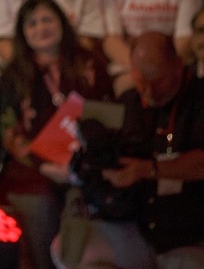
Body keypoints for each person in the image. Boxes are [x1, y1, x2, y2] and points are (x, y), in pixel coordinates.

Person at [61, 33, 204, 266]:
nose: (148, 91)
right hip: (135, 227)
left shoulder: (197, 98)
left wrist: (149, 169)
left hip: (189, 233)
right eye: (141, 81)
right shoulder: (129, 102)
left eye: (157, 81)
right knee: (74, 252)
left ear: (177, 65)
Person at [0, 0, 111, 269]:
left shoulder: (89, 63)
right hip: (34, 169)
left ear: (62, 23)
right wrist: (47, 165)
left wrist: (79, 166)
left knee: (88, 200)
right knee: (40, 206)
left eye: (47, 19)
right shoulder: (14, 75)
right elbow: (9, 132)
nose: (41, 28)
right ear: (23, 33)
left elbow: (107, 113)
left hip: (86, 164)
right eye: (32, 23)